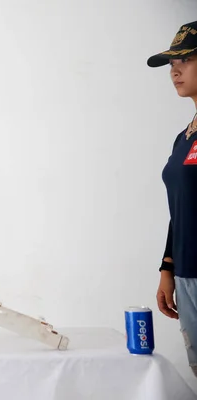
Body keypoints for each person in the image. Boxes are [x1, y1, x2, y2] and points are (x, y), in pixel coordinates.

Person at [148, 20, 197, 378]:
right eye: (171, 63)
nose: (174, 70)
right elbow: (180, 208)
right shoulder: (185, 137)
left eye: (187, 59)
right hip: (188, 275)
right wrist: (168, 268)